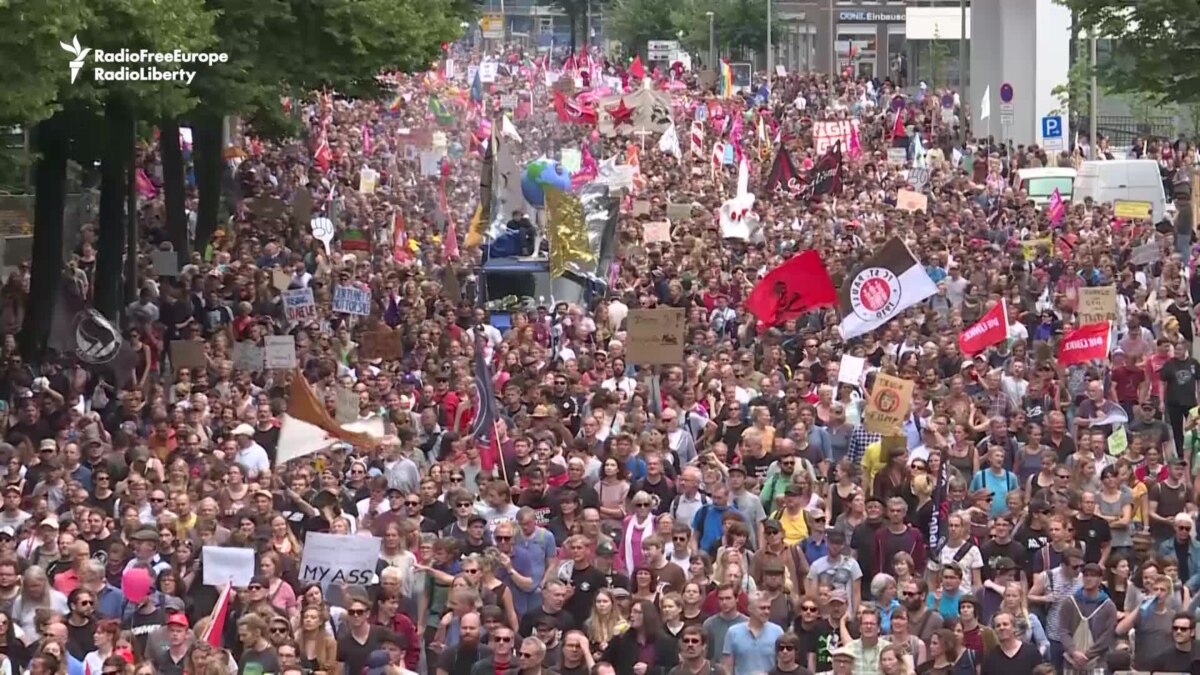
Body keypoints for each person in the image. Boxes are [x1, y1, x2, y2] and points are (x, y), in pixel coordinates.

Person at [722, 591, 785, 675]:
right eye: (762, 608)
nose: (767, 612)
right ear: (750, 609)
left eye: (768, 608)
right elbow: (727, 668)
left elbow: (783, 665)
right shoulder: (733, 632)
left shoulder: (777, 632)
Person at [979, 612, 1043, 674]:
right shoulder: (990, 658)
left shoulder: (1032, 652)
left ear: (1014, 627)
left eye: (1005, 624)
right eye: (998, 626)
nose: (1002, 628)